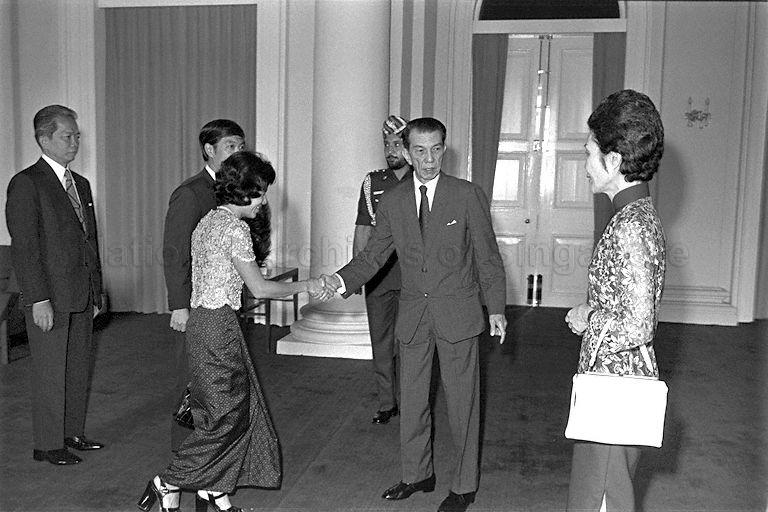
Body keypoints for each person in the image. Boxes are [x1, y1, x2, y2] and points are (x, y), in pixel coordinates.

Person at [324, 118, 507, 512]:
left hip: (458, 314)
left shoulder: (467, 194)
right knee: (413, 400)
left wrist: (496, 309)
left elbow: (488, 257)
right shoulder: (391, 201)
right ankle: (417, 473)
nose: (429, 159)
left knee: (462, 404)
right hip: (413, 314)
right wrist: (340, 281)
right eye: (420, 151)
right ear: (406, 152)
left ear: (445, 148)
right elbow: (373, 256)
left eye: (436, 149)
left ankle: (463, 485)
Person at [139, 151, 334, 512]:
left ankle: (213, 490)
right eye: (260, 192)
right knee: (227, 417)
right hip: (217, 328)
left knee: (228, 411)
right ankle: (167, 481)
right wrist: (310, 284)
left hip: (205, 324)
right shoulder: (234, 228)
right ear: (243, 192)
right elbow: (260, 289)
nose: (263, 201)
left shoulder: (208, 222)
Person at [564, 89, 666, 512]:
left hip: (615, 390)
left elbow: (639, 323)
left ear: (613, 161)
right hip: (610, 384)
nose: (585, 165)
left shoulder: (631, 225)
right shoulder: (632, 215)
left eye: (589, 153)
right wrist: (594, 310)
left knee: (599, 501)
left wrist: (590, 318)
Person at [5, 105, 104, 465]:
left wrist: (97, 291)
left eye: (77, 136)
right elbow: (25, 248)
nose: (75, 142)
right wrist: (38, 298)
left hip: (80, 292)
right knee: (50, 371)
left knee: (78, 366)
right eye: (68, 136)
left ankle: (71, 431)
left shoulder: (81, 184)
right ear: (44, 138)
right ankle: (47, 444)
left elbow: (89, 241)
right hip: (49, 295)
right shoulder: (26, 183)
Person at [163, 119, 246, 451]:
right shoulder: (191, 193)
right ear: (209, 150)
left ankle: (213, 454)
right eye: (230, 147)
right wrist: (179, 305)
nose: (238, 152)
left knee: (222, 384)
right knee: (193, 384)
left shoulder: (237, 189)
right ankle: (184, 458)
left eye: (241, 146)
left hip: (225, 304)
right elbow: (174, 253)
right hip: (198, 304)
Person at [353, 114, 410, 425]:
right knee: (382, 341)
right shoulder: (372, 182)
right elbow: (362, 230)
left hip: (414, 276)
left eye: (398, 143)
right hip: (379, 276)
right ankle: (387, 402)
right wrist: (358, 274)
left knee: (412, 340)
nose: (391, 149)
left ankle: (413, 400)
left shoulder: (422, 182)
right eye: (387, 144)